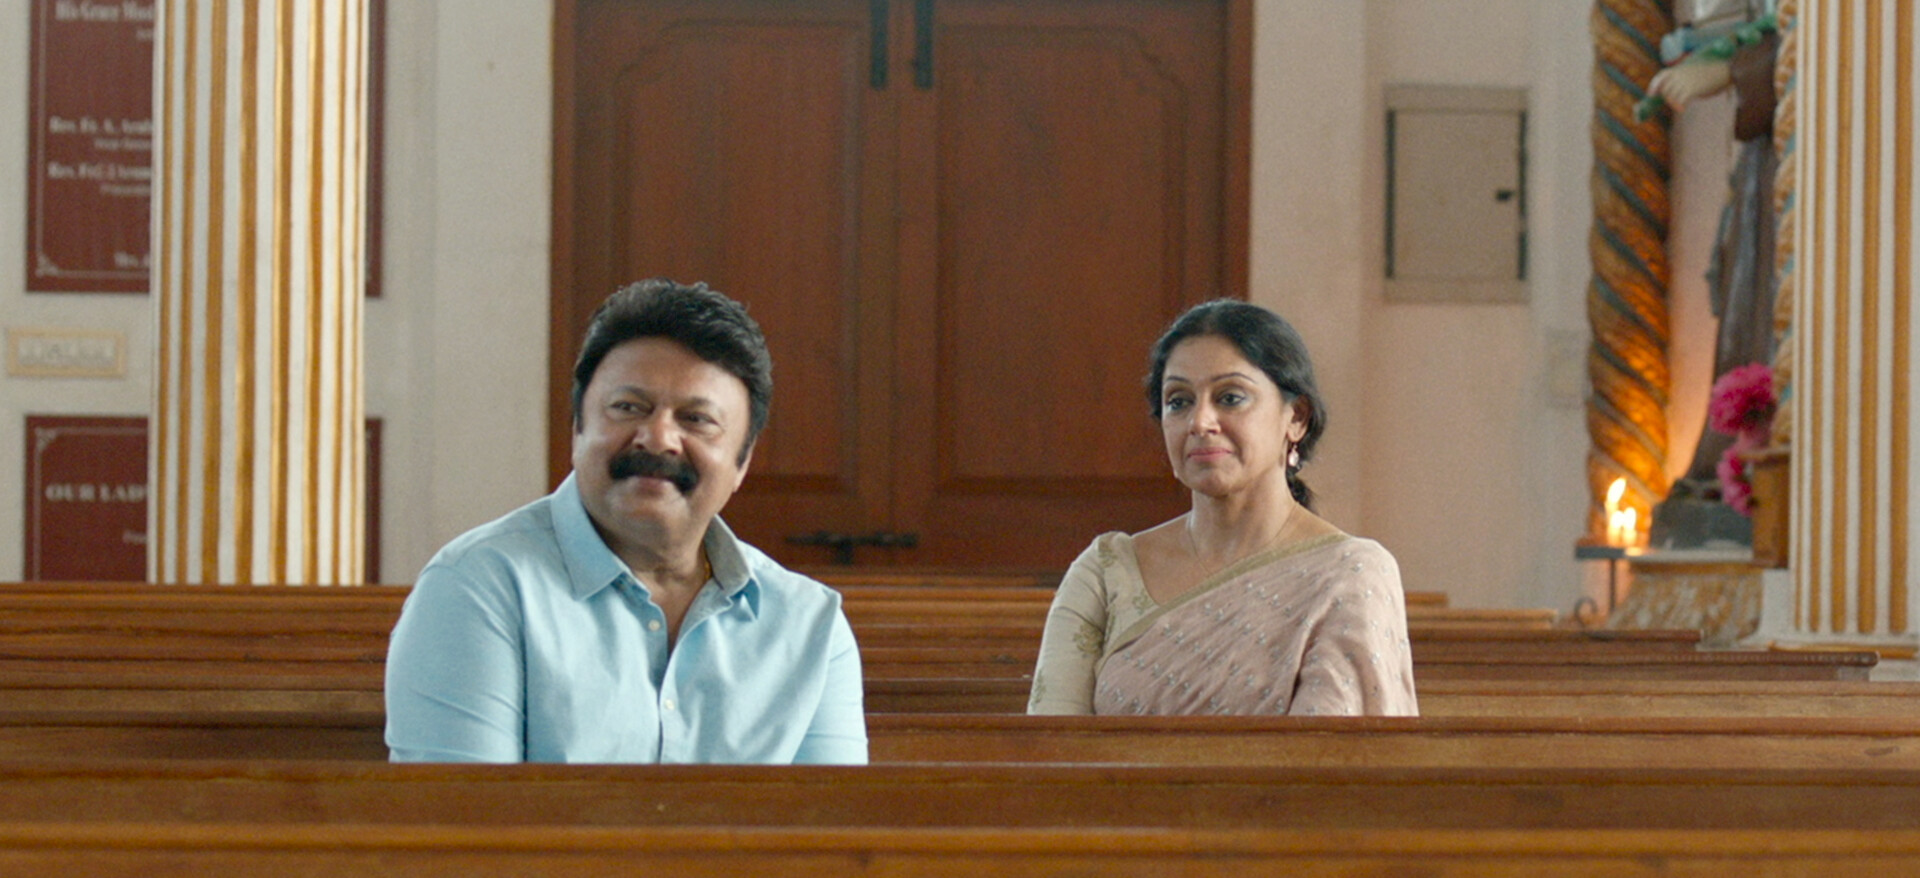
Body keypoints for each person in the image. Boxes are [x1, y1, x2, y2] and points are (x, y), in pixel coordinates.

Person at [385, 279, 867, 763]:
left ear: (742, 461)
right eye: (628, 408)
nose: (657, 439)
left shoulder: (809, 626)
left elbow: (831, 812)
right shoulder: (479, 587)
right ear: (577, 430)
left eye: (696, 419)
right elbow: (460, 807)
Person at [1028, 300, 1417, 716]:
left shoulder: (1349, 575)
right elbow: (1053, 740)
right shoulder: (1107, 572)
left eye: (1230, 398)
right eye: (1178, 401)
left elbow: (1332, 750)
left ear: (1296, 419)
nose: (1200, 422)